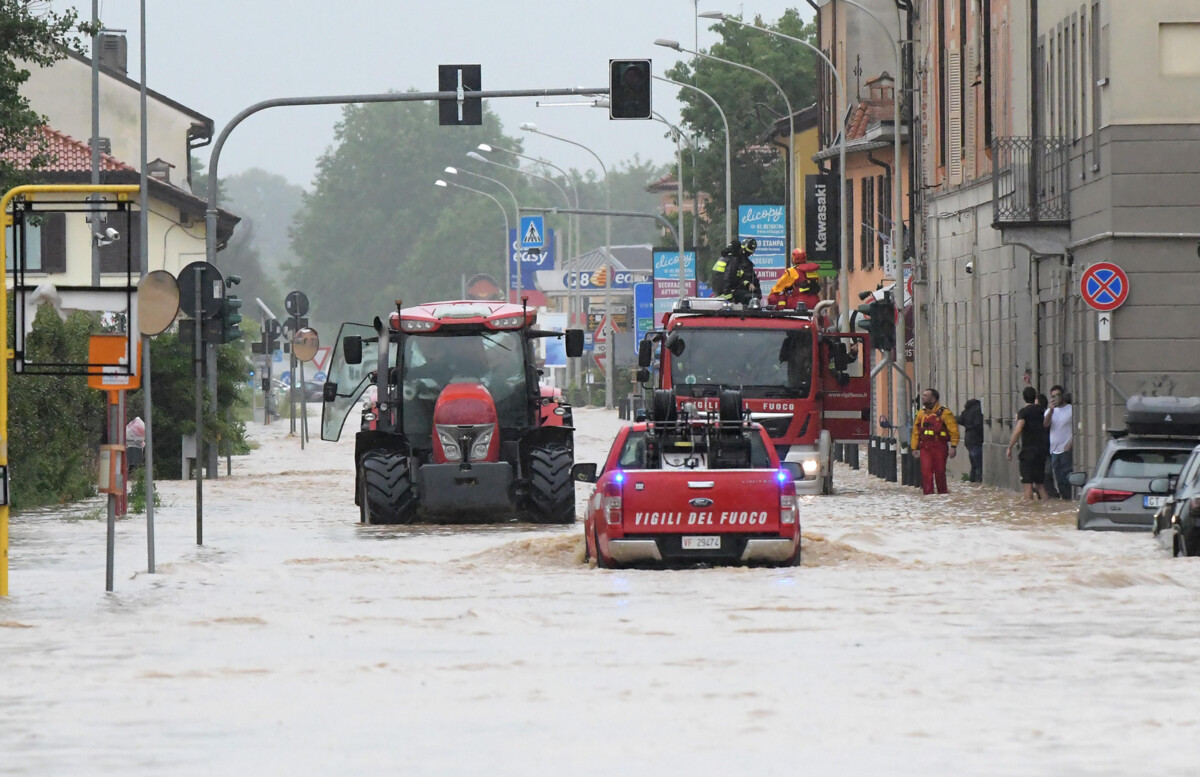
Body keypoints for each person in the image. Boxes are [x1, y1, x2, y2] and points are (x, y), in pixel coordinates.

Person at [910, 388, 959, 494]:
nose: (922, 398)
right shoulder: (921, 414)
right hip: (925, 447)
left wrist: (953, 446)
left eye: (926, 396)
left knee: (940, 472)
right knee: (926, 472)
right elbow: (915, 432)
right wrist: (914, 448)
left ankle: (942, 494)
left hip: (940, 446)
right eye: (923, 395)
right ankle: (929, 497)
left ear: (933, 399)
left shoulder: (945, 413)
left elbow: (953, 430)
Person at [1006, 386, 1050, 501]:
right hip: (1041, 451)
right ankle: (1047, 508)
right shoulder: (1041, 410)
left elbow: (1019, 429)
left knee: (1028, 485)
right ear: (1035, 397)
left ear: (1023, 398)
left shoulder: (1023, 412)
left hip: (1028, 453)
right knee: (1040, 485)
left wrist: (1010, 446)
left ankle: (1028, 512)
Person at [1044, 385, 1074, 500]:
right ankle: (1064, 501)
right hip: (1054, 451)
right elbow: (1045, 425)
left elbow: (1076, 429)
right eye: (1052, 396)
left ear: (1062, 396)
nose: (1055, 398)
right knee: (1059, 478)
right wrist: (1051, 411)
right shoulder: (1050, 411)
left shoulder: (1071, 409)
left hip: (1066, 449)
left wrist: (1069, 445)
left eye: (1057, 396)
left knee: (1067, 477)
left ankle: (1069, 499)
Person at [711, 237, 761, 304]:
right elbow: (727, 278)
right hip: (725, 292)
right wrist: (730, 298)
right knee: (751, 297)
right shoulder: (733, 260)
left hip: (720, 291)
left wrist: (747, 284)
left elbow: (735, 278)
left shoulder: (725, 258)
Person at [957, 398, 984, 482]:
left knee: (974, 464)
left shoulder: (967, 410)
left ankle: (973, 483)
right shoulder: (977, 410)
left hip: (968, 439)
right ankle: (978, 482)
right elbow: (978, 424)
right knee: (979, 465)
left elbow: (960, 420)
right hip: (976, 439)